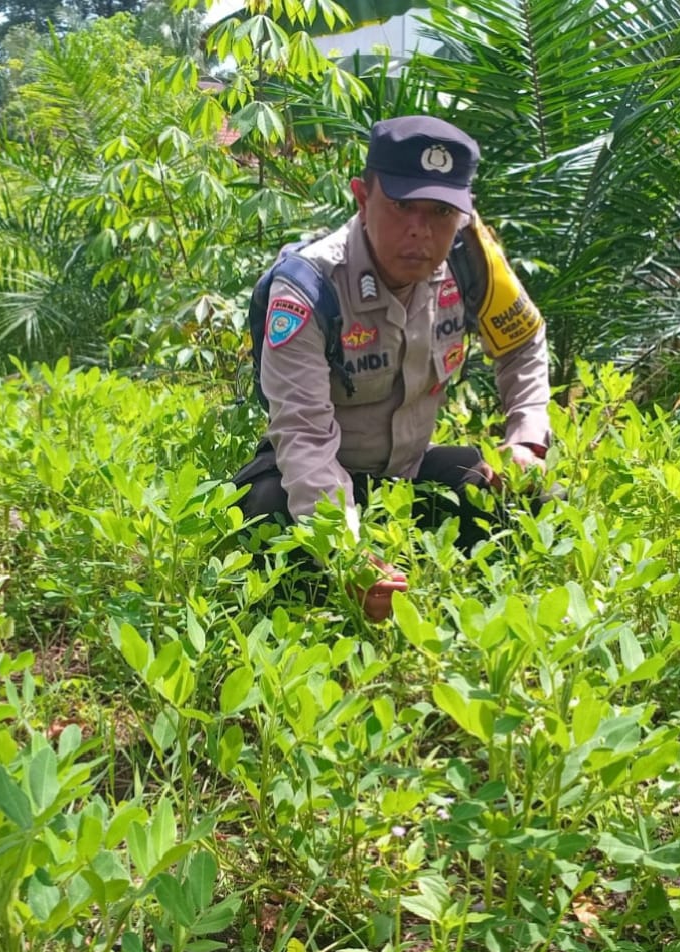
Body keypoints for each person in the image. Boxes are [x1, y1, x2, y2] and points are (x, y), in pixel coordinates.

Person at [231, 115, 552, 621]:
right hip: (314, 476)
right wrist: (346, 553)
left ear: (464, 216)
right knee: (265, 520)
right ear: (362, 197)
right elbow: (304, 438)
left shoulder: (471, 261)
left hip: (406, 474)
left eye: (442, 212)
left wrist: (526, 440)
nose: (420, 231)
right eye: (402, 206)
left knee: (524, 494)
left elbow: (524, 340)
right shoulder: (307, 288)